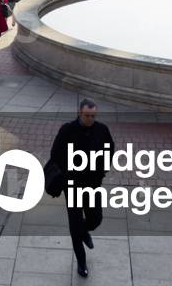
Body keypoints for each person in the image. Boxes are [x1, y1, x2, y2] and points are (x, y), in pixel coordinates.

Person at [49, 99, 114, 279]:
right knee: (75, 225)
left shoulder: (102, 129)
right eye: (87, 116)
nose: (90, 119)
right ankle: (81, 262)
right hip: (73, 187)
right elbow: (55, 155)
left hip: (93, 185)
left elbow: (110, 149)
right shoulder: (67, 130)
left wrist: (102, 170)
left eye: (93, 116)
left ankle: (85, 230)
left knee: (96, 219)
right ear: (79, 113)